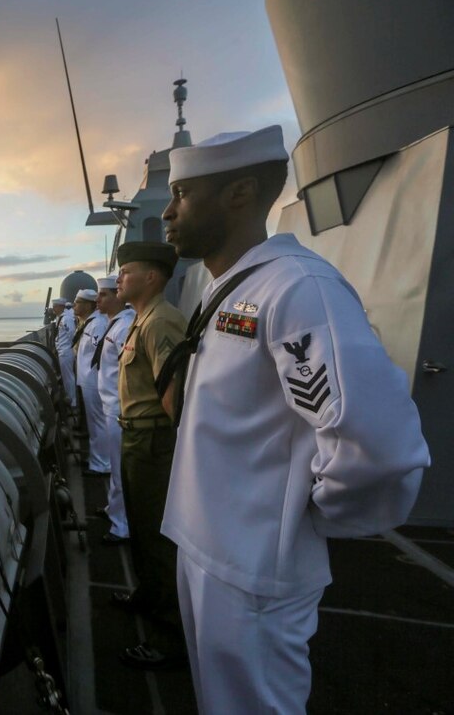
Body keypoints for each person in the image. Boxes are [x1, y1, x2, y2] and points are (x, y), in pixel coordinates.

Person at [159, 125, 429, 712]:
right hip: (206, 546)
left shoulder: (299, 289)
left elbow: (377, 445)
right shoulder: (229, 289)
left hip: (255, 569)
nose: (167, 212)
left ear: (240, 192)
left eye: (181, 193)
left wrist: (302, 519)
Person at [113, 241, 188, 669]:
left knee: (159, 538)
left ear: (152, 278)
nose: (120, 278)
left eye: (128, 272)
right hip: (136, 440)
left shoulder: (160, 322)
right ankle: (149, 596)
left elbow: (173, 397)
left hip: (153, 443)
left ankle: (171, 633)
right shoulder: (142, 319)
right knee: (142, 529)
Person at [93, 275, 135, 544]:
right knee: (115, 465)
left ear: (117, 297)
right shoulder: (114, 323)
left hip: (120, 409)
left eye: (104, 295)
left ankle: (122, 526)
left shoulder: (125, 326)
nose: (99, 300)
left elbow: (128, 371)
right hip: (109, 406)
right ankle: (113, 509)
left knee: (120, 470)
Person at [74, 288, 110, 475]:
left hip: (94, 380)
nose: (74, 306)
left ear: (88, 305)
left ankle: (102, 464)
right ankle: (97, 458)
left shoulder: (98, 325)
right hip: (87, 379)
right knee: (94, 423)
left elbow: (101, 356)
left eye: (78, 302)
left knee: (98, 422)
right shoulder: (90, 323)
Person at [51, 297, 79, 409]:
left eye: (55, 306)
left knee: (68, 377)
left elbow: (72, 333)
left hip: (66, 351)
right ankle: (70, 397)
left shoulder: (66, 319)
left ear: (61, 307)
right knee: (66, 376)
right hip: (63, 350)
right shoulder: (60, 318)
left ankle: (72, 401)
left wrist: (70, 347)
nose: (53, 309)